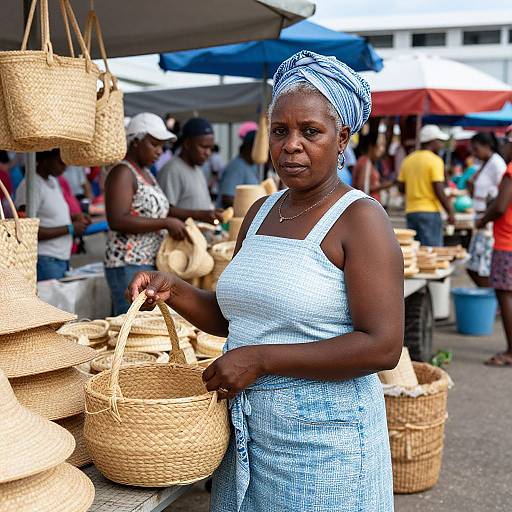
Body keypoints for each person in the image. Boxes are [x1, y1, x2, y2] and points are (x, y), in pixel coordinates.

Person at [128, 50, 403, 511]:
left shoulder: (360, 218)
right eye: (280, 130)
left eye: (311, 132)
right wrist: (172, 288)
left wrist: (260, 360)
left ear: (342, 140)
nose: (291, 144)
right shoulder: (259, 213)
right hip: (250, 437)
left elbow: (382, 345)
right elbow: (232, 317)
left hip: (326, 446)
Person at [104, 112, 188, 315]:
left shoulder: (146, 173)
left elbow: (164, 208)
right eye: (154, 144)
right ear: (135, 142)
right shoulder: (122, 172)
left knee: (145, 326)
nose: (160, 151)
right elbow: (117, 219)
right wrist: (165, 223)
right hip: (127, 262)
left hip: (145, 262)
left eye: (162, 146)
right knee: (133, 326)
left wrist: (203, 214)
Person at [15, 149, 90, 281]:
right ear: (45, 160)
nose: (64, 167)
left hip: (60, 258)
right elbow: (26, 230)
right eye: (60, 162)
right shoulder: (31, 185)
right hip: (46, 260)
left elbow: (49, 217)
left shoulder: (52, 182)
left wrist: (75, 218)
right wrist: (70, 228)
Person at [475, 129, 512, 366]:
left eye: (505, 144)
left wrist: (482, 220)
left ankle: (511, 351)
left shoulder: (510, 170)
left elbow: (500, 207)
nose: (503, 148)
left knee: (505, 293)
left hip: (507, 240)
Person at [398, 124, 455, 246]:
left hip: (411, 212)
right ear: (432, 141)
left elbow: (401, 187)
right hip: (430, 212)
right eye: (439, 141)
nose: (441, 144)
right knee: (431, 253)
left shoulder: (408, 160)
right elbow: (438, 189)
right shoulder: (435, 160)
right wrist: (450, 211)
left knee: (416, 252)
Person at [157, 117, 223, 224]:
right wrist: (199, 215)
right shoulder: (172, 170)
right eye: (203, 147)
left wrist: (211, 213)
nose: (208, 153)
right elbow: (165, 210)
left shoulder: (197, 168)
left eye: (210, 148)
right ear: (187, 144)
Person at [466, 132, 507, 287]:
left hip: (488, 222)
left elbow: (502, 195)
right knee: (474, 266)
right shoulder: (484, 163)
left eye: (476, 149)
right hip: (481, 220)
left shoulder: (497, 164)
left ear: (487, 146)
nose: (474, 153)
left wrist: (485, 217)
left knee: (481, 267)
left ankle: (491, 300)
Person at [217, 131, 258, 208]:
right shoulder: (236, 167)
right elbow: (227, 198)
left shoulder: (252, 166)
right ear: (249, 148)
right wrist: (251, 208)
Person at [351, 131, 388, 202]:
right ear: (371, 146)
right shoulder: (365, 162)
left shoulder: (367, 162)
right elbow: (363, 188)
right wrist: (384, 186)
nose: (382, 149)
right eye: (381, 145)